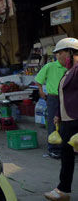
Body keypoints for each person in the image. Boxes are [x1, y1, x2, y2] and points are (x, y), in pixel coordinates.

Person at [45, 38, 78, 201]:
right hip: (67, 121)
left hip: (76, 120)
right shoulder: (68, 71)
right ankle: (63, 190)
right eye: (57, 54)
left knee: (68, 154)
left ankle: (63, 190)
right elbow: (64, 96)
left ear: (71, 52)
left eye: (61, 53)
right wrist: (58, 114)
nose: (58, 57)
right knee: (67, 155)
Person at [35, 44, 68, 159]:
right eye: (62, 54)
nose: (65, 57)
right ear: (57, 55)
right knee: (54, 123)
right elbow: (39, 80)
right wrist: (41, 91)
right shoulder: (49, 66)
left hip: (67, 98)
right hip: (53, 98)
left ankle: (66, 147)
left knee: (67, 123)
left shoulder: (69, 68)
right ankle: (53, 149)